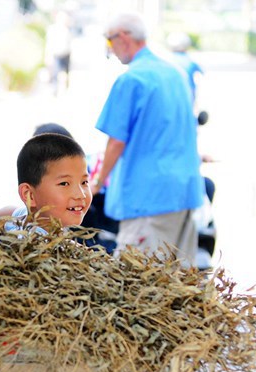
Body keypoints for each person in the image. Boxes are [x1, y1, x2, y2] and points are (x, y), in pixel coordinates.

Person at [91, 12, 204, 268]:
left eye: (109, 43)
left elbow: (116, 142)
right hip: (185, 193)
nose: (111, 51)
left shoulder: (132, 80)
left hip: (149, 199)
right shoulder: (175, 74)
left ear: (123, 37)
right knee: (178, 283)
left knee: (135, 286)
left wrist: (96, 183)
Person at [12, 131, 92, 230]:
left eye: (84, 182)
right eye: (64, 183)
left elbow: (8, 211)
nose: (81, 195)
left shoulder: (19, 218)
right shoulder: (38, 244)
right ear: (29, 195)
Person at [44, 11, 73, 95]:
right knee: (55, 73)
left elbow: (69, 43)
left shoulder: (66, 29)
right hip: (56, 54)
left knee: (66, 74)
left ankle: (66, 88)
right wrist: (47, 55)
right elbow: (49, 43)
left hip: (66, 54)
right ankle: (55, 91)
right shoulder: (52, 29)